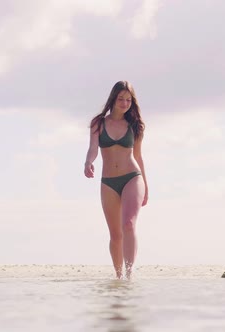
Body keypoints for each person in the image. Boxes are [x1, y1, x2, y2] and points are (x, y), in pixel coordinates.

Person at [84, 81, 148, 279]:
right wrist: (88, 162)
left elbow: (138, 156)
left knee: (128, 224)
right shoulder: (99, 123)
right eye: (121, 99)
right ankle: (119, 277)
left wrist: (146, 185)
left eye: (128, 100)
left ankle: (130, 275)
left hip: (132, 177)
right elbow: (93, 147)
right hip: (108, 182)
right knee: (115, 234)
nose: (125, 103)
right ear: (113, 99)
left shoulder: (135, 126)